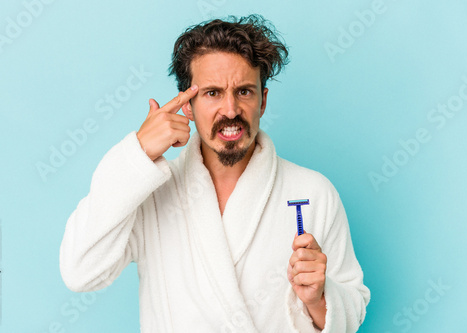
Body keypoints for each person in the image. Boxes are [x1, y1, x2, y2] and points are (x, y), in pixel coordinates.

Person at [59, 14, 370, 333]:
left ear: (262, 101)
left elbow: (353, 310)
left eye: (245, 92)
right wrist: (137, 155)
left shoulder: (313, 192)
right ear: (187, 106)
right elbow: (80, 272)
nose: (231, 110)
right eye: (212, 93)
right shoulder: (148, 194)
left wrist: (319, 299)